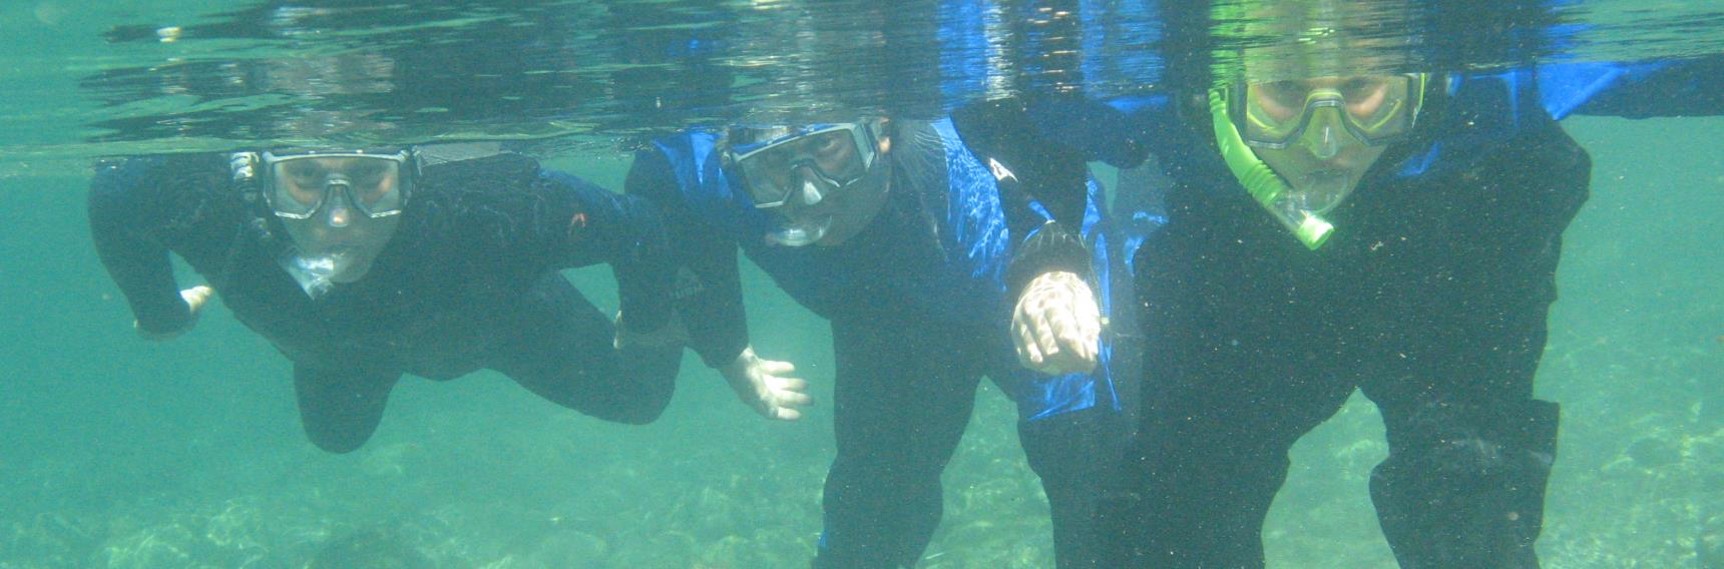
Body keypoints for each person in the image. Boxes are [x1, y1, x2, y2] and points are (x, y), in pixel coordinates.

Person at [973, 1, 1724, 567]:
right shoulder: (1151, 96)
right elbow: (1009, 111)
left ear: (1423, 77)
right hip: (1241, 251)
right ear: (1213, 90)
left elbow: (1685, 63)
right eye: (1283, 96)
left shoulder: (1495, 88)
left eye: (1364, 91)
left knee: (1468, 508)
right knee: (1174, 518)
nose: (1325, 144)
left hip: (1460, 244)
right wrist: (1050, 254)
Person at [623, 114, 1131, 568]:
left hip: (1017, 296)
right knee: (869, 525)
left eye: (828, 149)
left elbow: (1042, 202)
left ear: (882, 133)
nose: (810, 195)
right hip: (886, 321)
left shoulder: (962, 191)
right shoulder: (724, 177)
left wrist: (1051, 275)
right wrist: (727, 348)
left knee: (1094, 485)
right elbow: (659, 171)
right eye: (775, 163)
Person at [88, 145, 686, 453]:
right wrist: (159, 311)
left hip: (510, 323)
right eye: (306, 180)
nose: (339, 219)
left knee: (640, 401)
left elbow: (638, 227)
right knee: (335, 442)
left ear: (411, 174)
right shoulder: (203, 199)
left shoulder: (497, 206)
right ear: (257, 178)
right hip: (340, 358)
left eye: (372, 180)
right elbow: (114, 195)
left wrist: (653, 322)